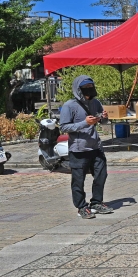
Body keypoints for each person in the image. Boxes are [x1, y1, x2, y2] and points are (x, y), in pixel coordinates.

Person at [59, 75, 112, 220]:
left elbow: (103, 122)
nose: (89, 89)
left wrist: (104, 117)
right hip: (78, 149)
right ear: (78, 89)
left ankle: (96, 202)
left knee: (101, 175)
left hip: (96, 146)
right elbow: (64, 127)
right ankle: (81, 206)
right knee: (78, 180)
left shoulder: (96, 102)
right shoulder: (69, 106)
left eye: (91, 86)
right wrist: (84, 123)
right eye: (86, 87)